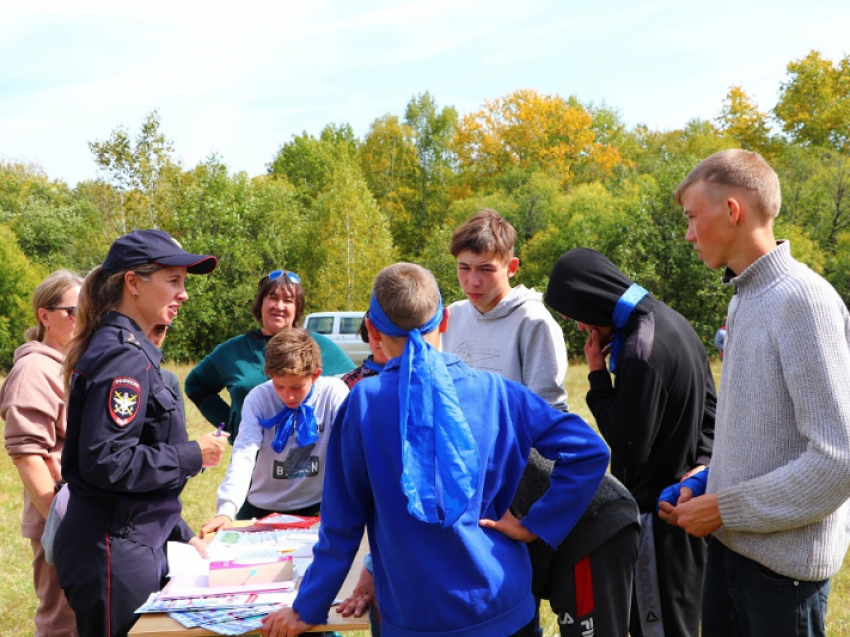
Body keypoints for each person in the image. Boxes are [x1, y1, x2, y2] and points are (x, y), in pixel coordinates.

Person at [260, 262, 610, 637]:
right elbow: (589, 452)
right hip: (502, 605)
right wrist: (535, 525)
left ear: (373, 331)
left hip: (415, 614)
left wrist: (308, 607)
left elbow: (341, 525)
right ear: (444, 319)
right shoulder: (498, 392)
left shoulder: (364, 404)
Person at [659, 149, 850, 635]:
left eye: (691, 217)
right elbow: (766, 430)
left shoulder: (803, 301)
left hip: (781, 576)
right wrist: (710, 479)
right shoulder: (746, 299)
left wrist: (724, 506)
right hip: (731, 552)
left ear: (732, 211)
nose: (687, 234)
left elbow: (837, 461)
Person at [444, 209, 639, 636]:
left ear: (511, 267)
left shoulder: (533, 321)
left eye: (485, 270)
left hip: (523, 489)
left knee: (520, 605)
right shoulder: (452, 316)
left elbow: (548, 418)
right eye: (463, 269)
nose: (473, 282)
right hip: (473, 493)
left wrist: (531, 515)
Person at [53, 229, 229, 637]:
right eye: (174, 280)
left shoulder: (129, 350)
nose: (184, 293)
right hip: (113, 552)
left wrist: (181, 534)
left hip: (133, 542)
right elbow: (106, 461)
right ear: (133, 283)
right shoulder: (122, 356)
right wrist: (192, 454)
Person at [545, 248, 717, 637]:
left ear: (590, 299)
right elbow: (711, 409)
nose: (579, 328)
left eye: (575, 318)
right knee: (680, 623)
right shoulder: (671, 320)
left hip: (654, 517)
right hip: (685, 504)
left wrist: (597, 378)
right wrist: (702, 467)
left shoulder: (642, 349)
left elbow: (628, 447)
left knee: (654, 627)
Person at [199, 328, 348, 533]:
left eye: (297, 387)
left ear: (315, 375)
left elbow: (349, 449)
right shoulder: (258, 398)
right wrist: (226, 510)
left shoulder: (333, 392)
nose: (288, 397)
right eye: (279, 386)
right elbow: (244, 452)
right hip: (264, 508)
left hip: (317, 506)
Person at [1, 269, 83, 637]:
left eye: (87, 309)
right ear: (44, 316)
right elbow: (26, 454)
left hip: (82, 516)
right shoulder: (34, 367)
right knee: (62, 623)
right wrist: (62, 523)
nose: (81, 318)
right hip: (60, 517)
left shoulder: (71, 365)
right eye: (71, 310)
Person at [185, 270, 354, 445]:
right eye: (273, 297)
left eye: (288, 300)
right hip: (253, 456)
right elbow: (195, 384)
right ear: (261, 303)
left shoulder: (317, 346)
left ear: (297, 308)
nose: (279, 306)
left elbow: (354, 385)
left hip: (310, 457)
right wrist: (231, 423)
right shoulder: (234, 351)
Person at [148, 323, 184, 416]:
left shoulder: (170, 379)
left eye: (159, 332)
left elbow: (179, 429)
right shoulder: (113, 373)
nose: (150, 340)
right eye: (143, 330)